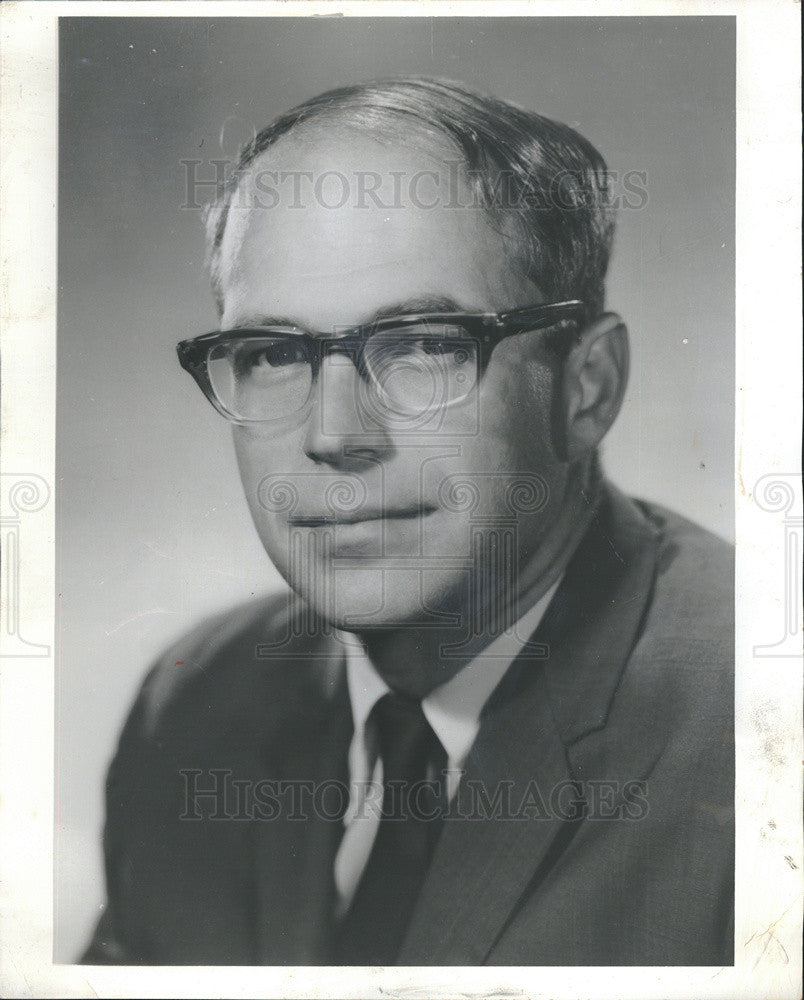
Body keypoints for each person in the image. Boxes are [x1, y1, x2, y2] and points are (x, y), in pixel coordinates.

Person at [82, 78, 733, 966]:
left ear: (589, 387)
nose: (335, 435)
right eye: (274, 354)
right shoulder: (196, 707)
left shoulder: (759, 730)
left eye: (425, 344)